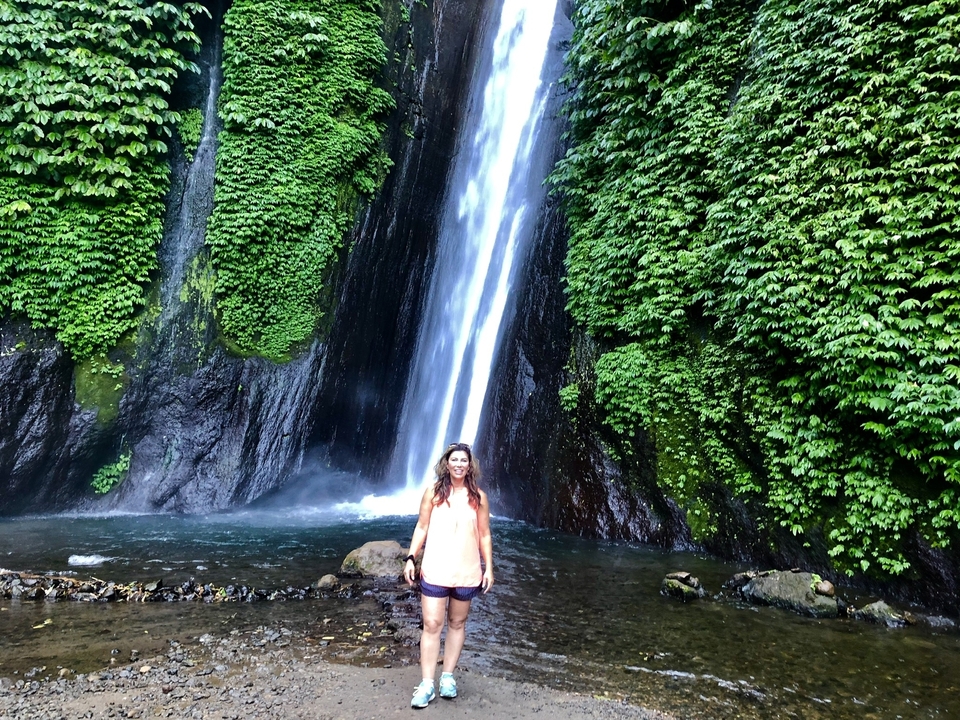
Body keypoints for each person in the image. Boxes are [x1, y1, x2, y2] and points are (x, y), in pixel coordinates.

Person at [403, 442, 494, 708]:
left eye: (463, 461)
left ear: (469, 465)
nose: (458, 465)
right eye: (454, 460)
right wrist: (411, 557)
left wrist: (489, 567)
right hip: (434, 569)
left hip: (466, 572)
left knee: (457, 623)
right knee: (432, 624)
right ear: (446, 463)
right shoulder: (432, 492)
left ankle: (447, 677)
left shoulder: (478, 497)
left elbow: (485, 534)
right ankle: (427, 684)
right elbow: (421, 526)